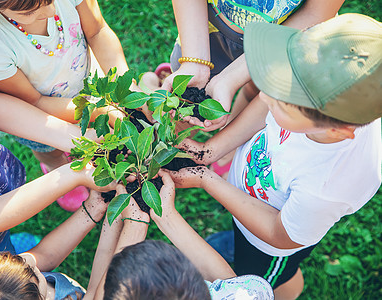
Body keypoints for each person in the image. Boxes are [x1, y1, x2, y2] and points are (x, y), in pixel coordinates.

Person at [169, 14, 382, 299]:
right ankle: (236, 239)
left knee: (262, 278)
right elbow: (264, 106)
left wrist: (207, 180)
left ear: (336, 130)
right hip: (253, 196)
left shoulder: (329, 186)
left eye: (280, 100)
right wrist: (211, 151)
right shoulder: (314, 100)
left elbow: (278, 233)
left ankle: (285, 289)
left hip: (269, 246)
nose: (265, 95)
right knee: (239, 231)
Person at [0, 27, 115, 275]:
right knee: (0, 262)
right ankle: (7, 248)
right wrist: (76, 174)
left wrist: (75, 137)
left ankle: (10, 240)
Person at [0, 0, 130, 210]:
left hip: (87, 83)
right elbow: (34, 101)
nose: (51, 11)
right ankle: (55, 166)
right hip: (41, 116)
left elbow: (97, 30)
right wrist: (95, 110)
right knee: (48, 148)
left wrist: (126, 86)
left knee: (95, 134)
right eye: (29, 12)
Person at [85, 172, 274, 300]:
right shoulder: (248, 294)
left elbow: (97, 295)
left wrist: (135, 227)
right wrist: (166, 217)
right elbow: (228, 283)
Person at [163, 0, 345, 131]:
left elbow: (315, 12)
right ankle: (178, 142)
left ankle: (228, 144)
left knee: (258, 95)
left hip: (279, 42)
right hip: (204, 31)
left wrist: (229, 79)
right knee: (187, 109)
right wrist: (195, 62)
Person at [0, 190, 108, 300]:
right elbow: (97, 291)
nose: (32, 264)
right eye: (35, 274)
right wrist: (113, 222)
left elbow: (45, 255)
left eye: (22, 263)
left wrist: (94, 208)